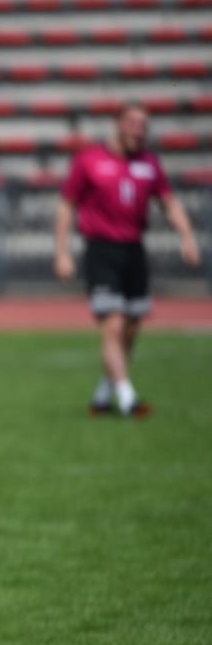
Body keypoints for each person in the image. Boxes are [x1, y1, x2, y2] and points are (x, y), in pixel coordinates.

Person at [53, 104, 201, 417]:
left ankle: (104, 394)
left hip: (134, 250)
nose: (139, 130)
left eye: (144, 125)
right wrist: (62, 252)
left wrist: (187, 237)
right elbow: (67, 206)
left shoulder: (149, 163)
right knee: (114, 324)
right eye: (133, 123)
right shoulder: (90, 160)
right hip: (101, 249)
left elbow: (169, 203)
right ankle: (128, 398)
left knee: (132, 327)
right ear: (118, 125)